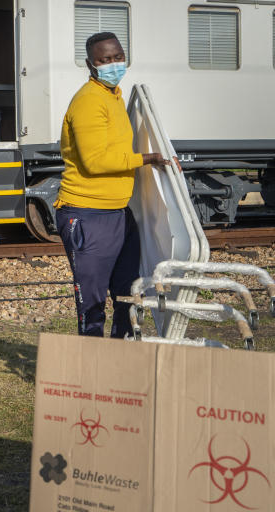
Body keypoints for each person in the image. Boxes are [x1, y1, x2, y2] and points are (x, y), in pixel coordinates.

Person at [54, 32, 170, 338]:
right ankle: (93, 370)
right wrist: (147, 158)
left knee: (128, 295)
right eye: (105, 59)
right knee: (92, 305)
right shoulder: (89, 101)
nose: (113, 63)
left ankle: (120, 365)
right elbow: (95, 161)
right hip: (88, 214)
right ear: (91, 64)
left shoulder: (114, 96)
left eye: (118, 57)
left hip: (117, 212)